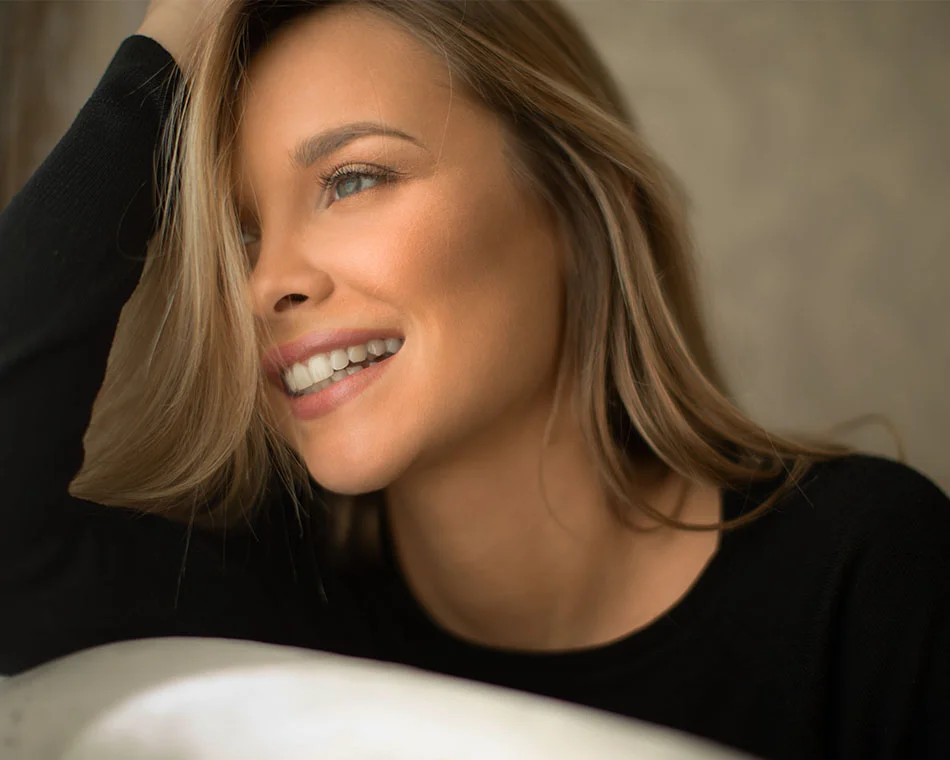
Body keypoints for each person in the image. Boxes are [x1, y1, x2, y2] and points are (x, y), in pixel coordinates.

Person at [1, 0, 947, 757]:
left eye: (354, 179)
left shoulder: (869, 580)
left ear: (576, 205)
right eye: (240, 235)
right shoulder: (260, 595)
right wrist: (173, 38)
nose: (264, 284)